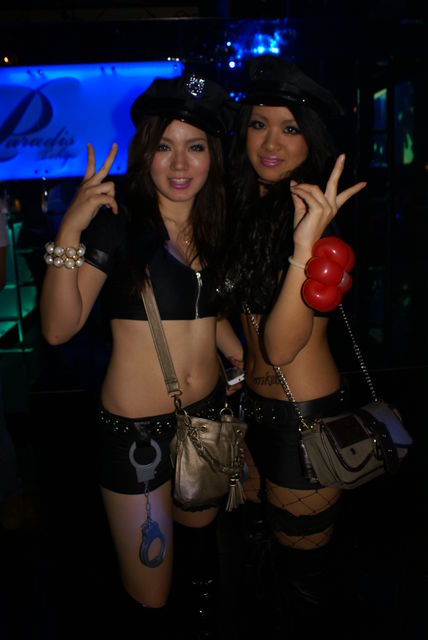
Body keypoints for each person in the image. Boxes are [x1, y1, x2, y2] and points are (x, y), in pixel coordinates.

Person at [40, 72, 243, 636]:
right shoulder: (119, 226)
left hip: (206, 420)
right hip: (138, 439)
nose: (179, 164)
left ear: (212, 156)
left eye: (195, 147)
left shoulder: (215, 225)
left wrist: (241, 359)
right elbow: (58, 329)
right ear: (145, 152)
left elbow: (206, 313)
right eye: (164, 146)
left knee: (202, 571)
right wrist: (70, 229)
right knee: (150, 599)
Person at [220, 55, 367, 636]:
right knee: (258, 559)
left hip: (302, 418)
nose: (271, 142)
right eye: (259, 124)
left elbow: (280, 348)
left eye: (290, 128)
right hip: (251, 407)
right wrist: (235, 360)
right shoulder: (246, 207)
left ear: (311, 140)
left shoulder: (312, 220)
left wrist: (306, 247)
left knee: (304, 584)